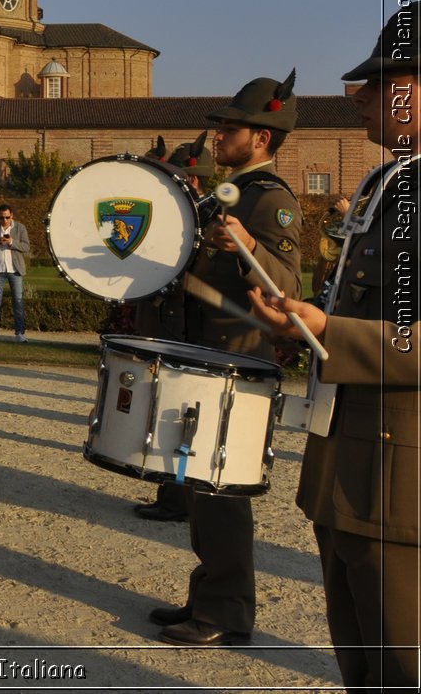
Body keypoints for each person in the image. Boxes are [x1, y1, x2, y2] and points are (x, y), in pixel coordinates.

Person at [249, 10, 418, 690]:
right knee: (361, 663)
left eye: (383, 82)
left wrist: (330, 332)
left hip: (401, 483)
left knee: (403, 664)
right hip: (347, 467)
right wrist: (303, 331)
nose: (363, 96)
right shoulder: (390, 183)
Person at [150, 71, 301, 648]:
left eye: (230, 128)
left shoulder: (272, 201)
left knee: (221, 493)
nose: (219, 136)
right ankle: (208, 592)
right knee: (198, 491)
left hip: (234, 361)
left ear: (261, 138)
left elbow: (286, 281)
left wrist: (248, 245)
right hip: (203, 356)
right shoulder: (226, 190)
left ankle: (227, 612)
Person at [129, 132, 215, 525]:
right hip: (169, 325)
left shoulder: (205, 215)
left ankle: (180, 498)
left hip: (189, 329)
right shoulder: (185, 213)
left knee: (183, 415)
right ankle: (172, 491)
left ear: (192, 180)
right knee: (168, 410)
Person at [0, 203, 30, 341]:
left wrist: (12, 242)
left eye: (7, 217)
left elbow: (26, 247)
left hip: (15, 270)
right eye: (1, 217)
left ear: (12, 215)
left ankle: (20, 333)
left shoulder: (20, 228)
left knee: (18, 301)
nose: (4, 220)